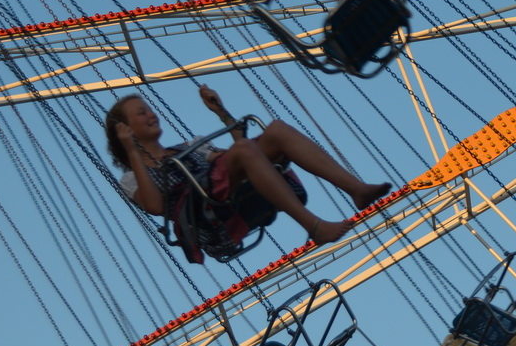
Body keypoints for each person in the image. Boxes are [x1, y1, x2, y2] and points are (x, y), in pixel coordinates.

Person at [105, 85, 391, 251]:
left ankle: (356, 189)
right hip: (206, 218)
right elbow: (155, 206)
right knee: (242, 151)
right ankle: (313, 225)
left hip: (226, 193)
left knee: (276, 130)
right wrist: (132, 151)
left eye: (149, 108)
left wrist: (221, 113)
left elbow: (245, 153)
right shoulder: (132, 179)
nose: (151, 114)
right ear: (126, 129)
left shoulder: (190, 146)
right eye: (141, 113)